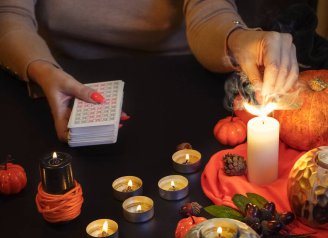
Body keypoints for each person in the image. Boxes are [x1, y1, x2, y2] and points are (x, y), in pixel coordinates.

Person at [0, 0, 298, 142]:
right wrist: (40, 68)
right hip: (66, 84)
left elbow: (209, 9)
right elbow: (9, 16)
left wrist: (236, 40)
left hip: (180, 83)